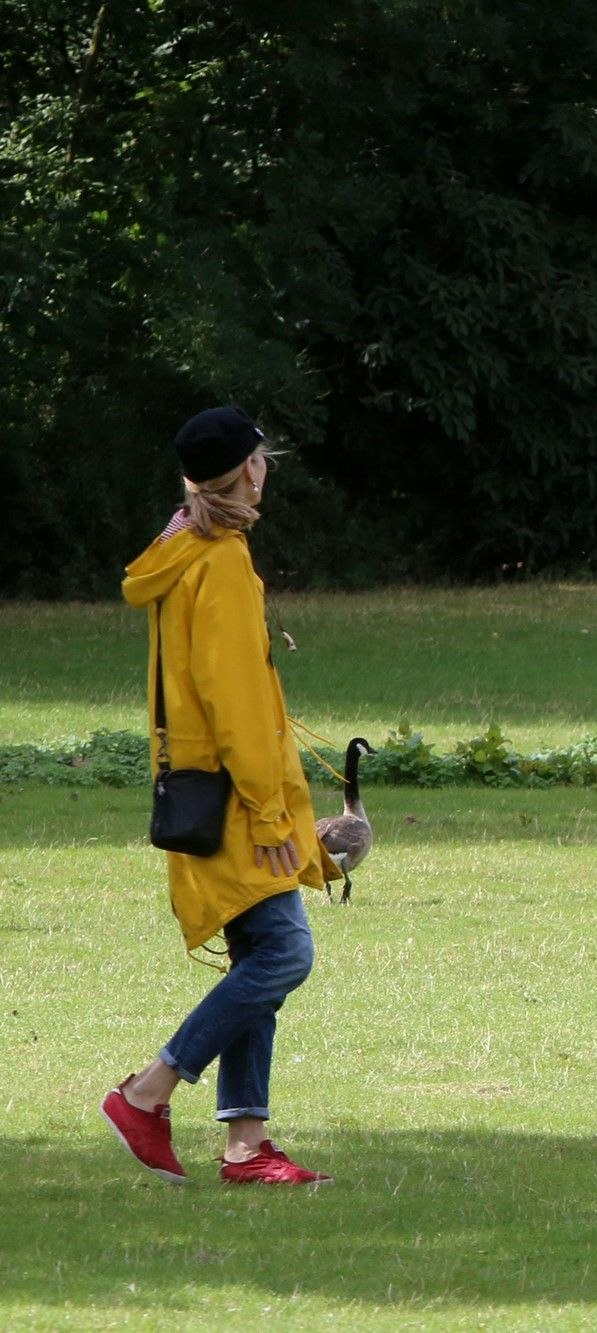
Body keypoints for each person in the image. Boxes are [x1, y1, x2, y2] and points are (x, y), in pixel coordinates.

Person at [102, 406, 334, 1186]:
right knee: (285, 951)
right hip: (238, 800)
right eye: (264, 457)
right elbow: (231, 694)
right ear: (252, 470)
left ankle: (246, 1144)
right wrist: (270, 811)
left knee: (256, 954)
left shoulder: (179, 549)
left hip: (203, 786)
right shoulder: (222, 560)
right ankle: (148, 1090)